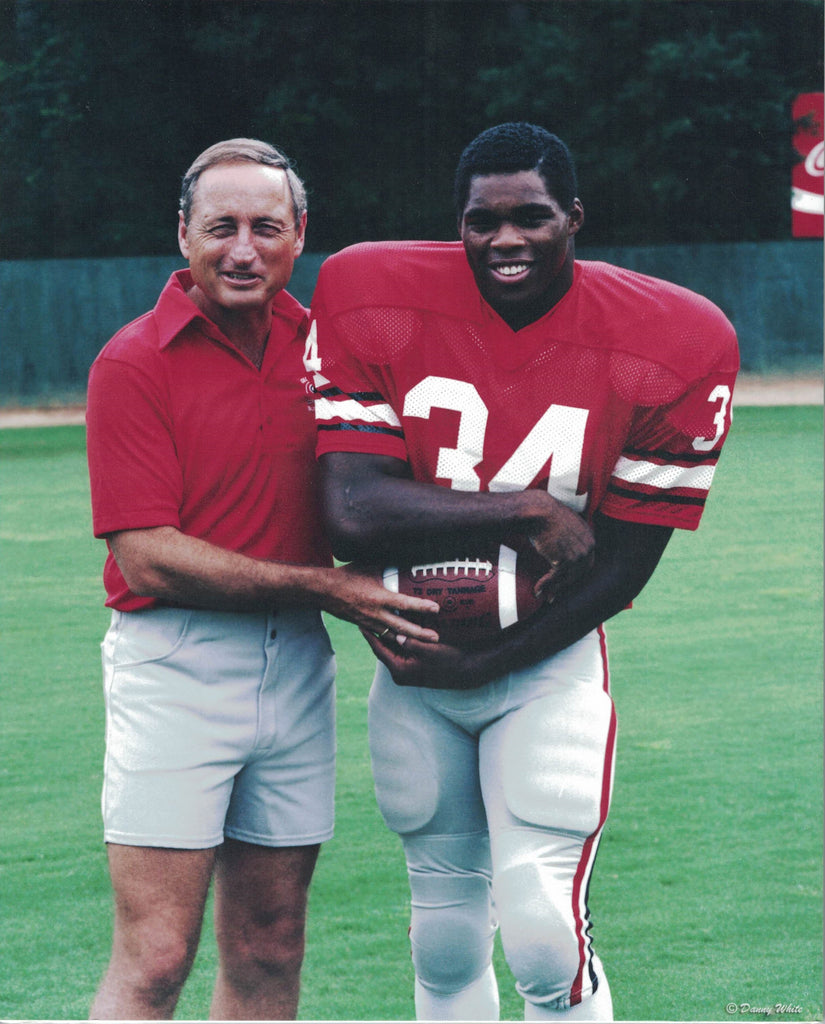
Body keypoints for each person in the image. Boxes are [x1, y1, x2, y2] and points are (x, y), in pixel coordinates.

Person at [306, 122, 738, 1021]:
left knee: (542, 931)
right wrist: (527, 507)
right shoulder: (371, 294)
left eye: (531, 217)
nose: (506, 239)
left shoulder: (672, 336)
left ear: (573, 218)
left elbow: (619, 568)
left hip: (548, 662)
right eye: (482, 221)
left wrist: (486, 664)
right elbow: (351, 511)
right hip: (414, 660)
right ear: (456, 223)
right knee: (444, 933)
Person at [84, 138, 439, 1022]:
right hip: (174, 666)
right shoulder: (132, 362)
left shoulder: (333, 354)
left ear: (299, 236)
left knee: (270, 942)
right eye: (221, 227)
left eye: (265, 228)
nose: (242, 249)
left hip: (296, 669)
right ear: (182, 236)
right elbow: (145, 554)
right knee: (157, 958)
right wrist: (329, 588)